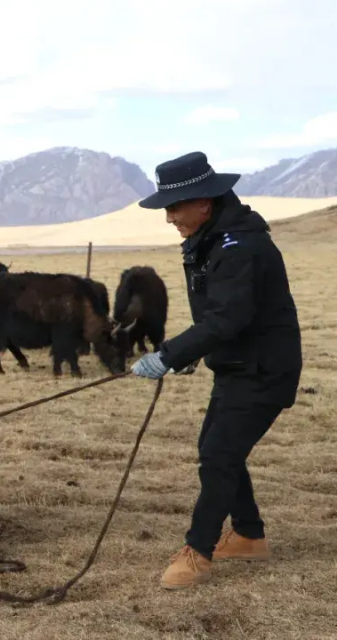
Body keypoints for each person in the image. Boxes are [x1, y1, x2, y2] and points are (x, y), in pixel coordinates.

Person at [131, 151, 302, 590]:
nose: (169, 217)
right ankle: (247, 535)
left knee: (219, 455)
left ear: (203, 201)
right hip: (239, 365)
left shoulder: (238, 246)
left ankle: (198, 551)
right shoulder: (216, 237)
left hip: (263, 371)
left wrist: (170, 354)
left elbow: (227, 318)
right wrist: (191, 353)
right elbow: (222, 319)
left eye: (174, 206)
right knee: (216, 447)